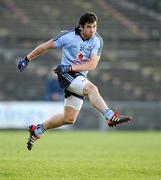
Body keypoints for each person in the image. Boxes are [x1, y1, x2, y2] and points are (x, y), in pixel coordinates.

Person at [18, 12, 132, 150]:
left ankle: (37, 130)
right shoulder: (68, 36)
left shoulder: (97, 40)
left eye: (95, 26)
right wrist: (26, 59)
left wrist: (71, 67)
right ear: (81, 27)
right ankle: (110, 116)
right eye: (89, 27)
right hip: (65, 74)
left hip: (78, 77)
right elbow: (45, 46)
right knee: (92, 89)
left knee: (69, 119)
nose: (93, 30)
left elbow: (92, 65)